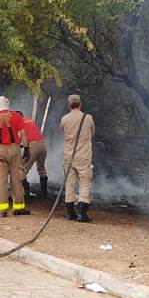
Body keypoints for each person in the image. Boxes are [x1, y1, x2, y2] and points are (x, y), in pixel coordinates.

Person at [0, 96, 31, 217]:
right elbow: (23, 134)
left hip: (0, 150)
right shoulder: (17, 116)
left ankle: (2, 210)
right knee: (17, 179)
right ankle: (18, 208)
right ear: (8, 104)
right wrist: (26, 149)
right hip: (15, 149)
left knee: (1, 180)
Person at [60, 94, 95, 222]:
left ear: (69, 105)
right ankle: (82, 214)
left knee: (69, 183)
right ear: (80, 104)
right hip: (84, 156)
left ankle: (70, 213)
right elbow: (92, 133)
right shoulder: (88, 118)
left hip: (69, 157)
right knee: (85, 183)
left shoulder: (64, 119)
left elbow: (63, 132)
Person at [15, 110, 48, 200]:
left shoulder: (19, 124)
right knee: (41, 168)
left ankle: (26, 194)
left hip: (33, 145)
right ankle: (44, 193)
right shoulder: (29, 121)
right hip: (43, 144)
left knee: (22, 168)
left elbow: (18, 140)